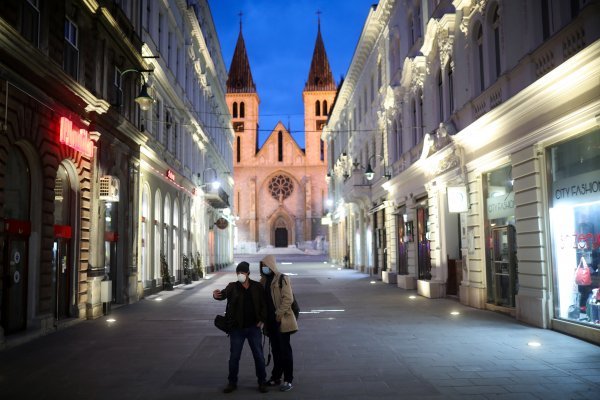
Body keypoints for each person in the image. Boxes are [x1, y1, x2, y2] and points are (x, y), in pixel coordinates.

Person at [213, 261, 268, 393]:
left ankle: (262, 382)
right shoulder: (232, 286)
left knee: (259, 356)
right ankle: (232, 382)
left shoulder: (257, 287)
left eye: (242, 272)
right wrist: (216, 295)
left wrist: (261, 320)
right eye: (238, 273)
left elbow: (264, 305)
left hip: (253, 328)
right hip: (237, 329)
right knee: (234, 357)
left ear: (248, 273)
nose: (240, 275)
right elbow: (222, 295)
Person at [259, 255, 298, 392]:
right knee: (275, 350)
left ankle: (288, 379)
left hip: (281, 320)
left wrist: (278, 314)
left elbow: (288, 299)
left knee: (285, 351)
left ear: (271, 266)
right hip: (270, 323)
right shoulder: (263, 281)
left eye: (266, 265)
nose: (264, 268)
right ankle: (276, 377)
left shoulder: (282, 278)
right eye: (262, 266)